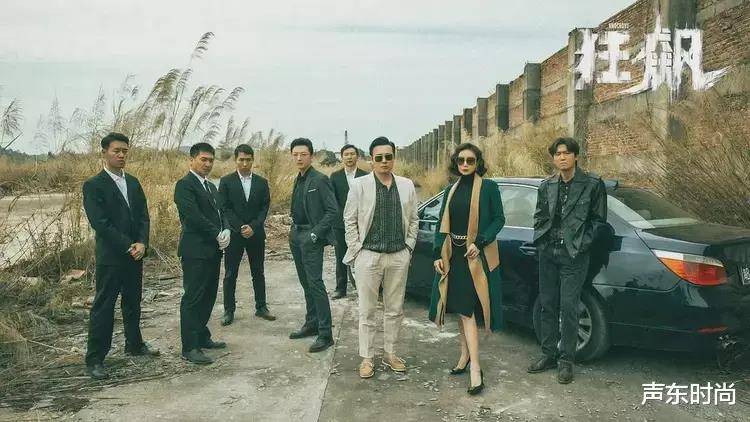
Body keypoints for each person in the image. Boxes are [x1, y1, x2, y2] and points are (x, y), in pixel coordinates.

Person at [527, 137, 607, 384]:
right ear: (554, 158)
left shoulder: (592, 184)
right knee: (547, 305)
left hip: (574, 255)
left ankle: (566, 361)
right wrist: (541, 242)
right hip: (548, 252)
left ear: (575, 156)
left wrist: (581, 246)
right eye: (557, 154)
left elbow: (598, 222)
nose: (562, 157)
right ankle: (548, 354)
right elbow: (540, 216)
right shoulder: (547, 185)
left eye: (566, 153)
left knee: (569, 307)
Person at [428, 143, 505, 395]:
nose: (465, 164)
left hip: (476, 258)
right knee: (461, 311)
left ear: (477, 163)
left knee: (468, 311)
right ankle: (464, 356)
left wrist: (480, 242)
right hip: (454, 257)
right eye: (461, 160)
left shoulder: (489, 187)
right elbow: (441, 225)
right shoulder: (450, 189)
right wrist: (437, 255)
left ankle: (476, 369)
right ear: (455, 162)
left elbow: (499, 219)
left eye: (470, 161)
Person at [82, 132, 159, 380]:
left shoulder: (133, 182)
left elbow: (143, 216)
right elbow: (101, 223)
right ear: (104, 152)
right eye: (116, 151)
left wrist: (142, 243)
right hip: (112, 257)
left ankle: (134, 344)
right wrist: (129, 245)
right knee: (104, 306)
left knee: (133, 302)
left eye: (125, 151)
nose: (121, 155)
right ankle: (95, 359)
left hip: (135, 255)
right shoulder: (94, 185)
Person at [343, 136, 418, 379]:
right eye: (379, 158)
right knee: (367, 310)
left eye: (388, 157)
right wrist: (357, 251)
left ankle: (390, 353)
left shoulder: (406, 185)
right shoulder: (360, 185)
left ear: (394, 158)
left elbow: (414, 219)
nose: (384, 161)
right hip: (369, 256)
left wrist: (408, 247)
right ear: (371, 160)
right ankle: (367, 357)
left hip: (398, 256)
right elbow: (349, 220)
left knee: (394, 309)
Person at [174, 142, 230, 365]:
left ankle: (201, 335)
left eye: (210, 160)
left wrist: (226, 229)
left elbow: (222, 212)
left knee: (208, 296)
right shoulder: (185, 185)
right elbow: (193, 216)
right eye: (203, 159)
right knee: (194, 297)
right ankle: (189, 347)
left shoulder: (211, 187)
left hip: (213, 251)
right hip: (195, 251)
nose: (207, 164)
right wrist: (217, 233)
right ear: (192, 160)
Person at [288, 138, 338, 353]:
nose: (299, 158)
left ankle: (325, 334)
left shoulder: (320, 179)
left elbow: (333, 211)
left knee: (315, 284)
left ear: (312, 156)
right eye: (295, 154)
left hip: (310, 237)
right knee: (305, 283)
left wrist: (315, 234)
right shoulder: (298, 179)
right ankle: (312, 324)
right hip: (296, 235)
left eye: (303, 154)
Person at [218, 144, 275, 326]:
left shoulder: (261, 182)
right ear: (235, 160)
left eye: (248, 160)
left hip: (255, 234)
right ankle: (229, 310)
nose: (244, 163)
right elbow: (224, 207)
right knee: (230, 274)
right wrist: (240, 226)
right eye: (241, 159)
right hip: (235, 235)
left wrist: (253, 226)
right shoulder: (226, 181)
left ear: (253, 160)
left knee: (258, 272)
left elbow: (264, 207)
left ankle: (261, 307)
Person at [329, 144, 368, 299]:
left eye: (352, 154)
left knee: (362, 256)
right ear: (342, 157)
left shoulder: (366, 176)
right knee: (340, 256)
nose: (349, 157)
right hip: (340, 224)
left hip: (362, 223)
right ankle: (341, 288)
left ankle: (363, 288)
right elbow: (332, 200)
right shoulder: (335, 177)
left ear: (357, 156)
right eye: (346, 154)